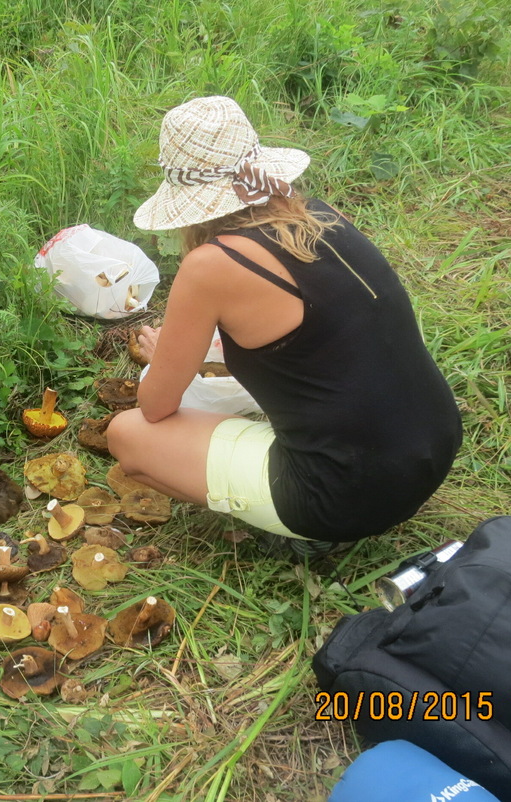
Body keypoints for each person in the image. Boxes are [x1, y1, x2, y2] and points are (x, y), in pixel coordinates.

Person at [105, 95, 462, 555]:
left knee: (128, 435)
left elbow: (155, 407)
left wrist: (165, 359)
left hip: (346, 493)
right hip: (432, 445)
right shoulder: (321, 216)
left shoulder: (210, 265)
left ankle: (308, 532)